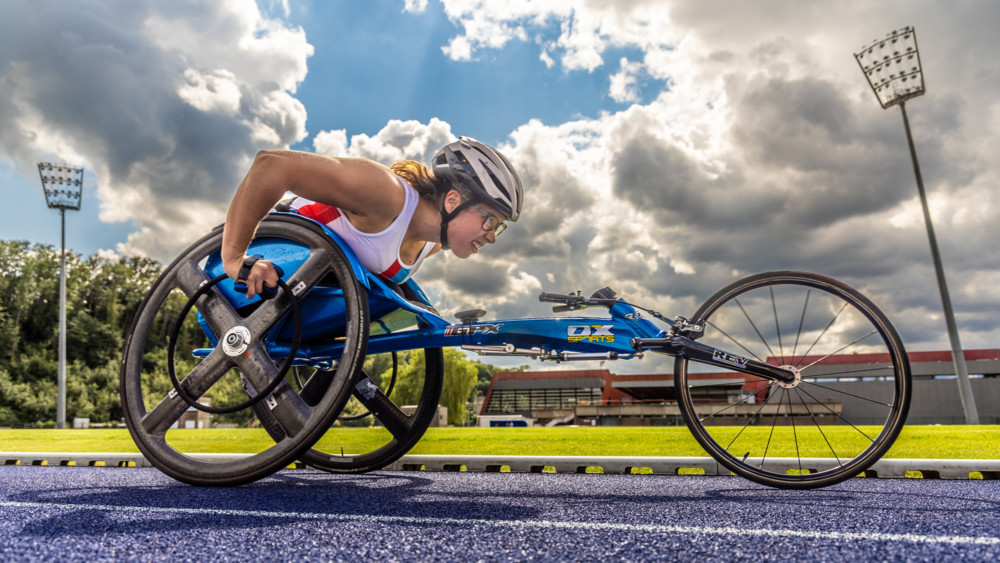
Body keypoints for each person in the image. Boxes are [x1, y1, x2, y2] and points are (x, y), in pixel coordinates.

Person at [221, 137, 523, 298]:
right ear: (453, 200)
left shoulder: (430, 245)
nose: (492, 236)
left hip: (286, 297)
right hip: (244, 270)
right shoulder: (387, 195)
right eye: (489, 221)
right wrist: (235, 258)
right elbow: (272, 165)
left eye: (499, 228)